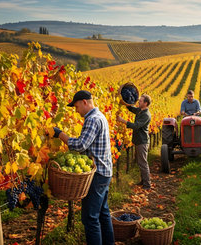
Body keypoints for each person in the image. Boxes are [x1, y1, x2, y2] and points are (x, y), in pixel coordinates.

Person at [53, 90, 114, 245]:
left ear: (84, 102)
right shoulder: (100, 116)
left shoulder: (92, 119)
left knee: (90, 217)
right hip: (105, 172)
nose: (76, 110)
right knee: (103, 213)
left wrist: (60, 134)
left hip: (97, 174)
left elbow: (80, 145)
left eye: (76, 106)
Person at [117, 94, 152, 190]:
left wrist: (122, 121)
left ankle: (147, 184)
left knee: (143, 163)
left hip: (142, 141)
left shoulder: (146, 115)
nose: (138, 102)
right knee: (140, 162)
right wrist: (125, 102)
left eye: (140, 101)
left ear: (145, 103)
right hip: (138, 140)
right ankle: (143, 181)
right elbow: (132, 109)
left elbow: (136, 126)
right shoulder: (140, 110)